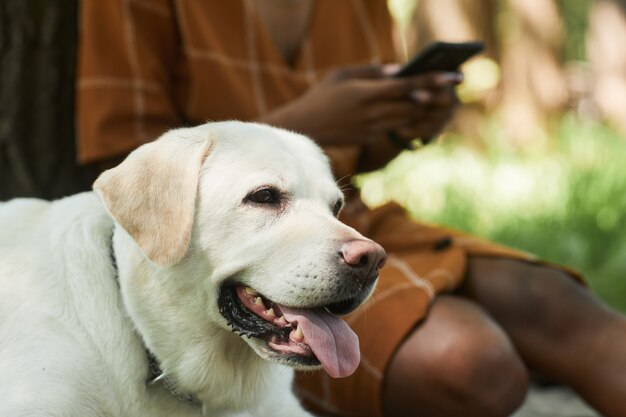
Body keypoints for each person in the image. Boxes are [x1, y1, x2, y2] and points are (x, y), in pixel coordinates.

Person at [76, 1, 626, 416]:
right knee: (470, 364)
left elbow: (355, 153)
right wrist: (310, 120)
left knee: (558, 302)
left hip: (344, 216)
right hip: (236, 268)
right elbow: (131, 175)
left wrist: (403, 124)